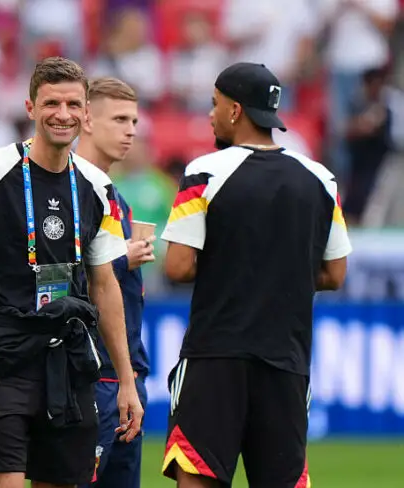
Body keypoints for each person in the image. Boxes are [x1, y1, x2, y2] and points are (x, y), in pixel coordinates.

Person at [0, 57, 144, 488]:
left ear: (86, 113)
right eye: (51, 103)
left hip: (66, 363)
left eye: (73, 104)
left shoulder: (97, 187)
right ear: (30, 108)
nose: (63, 114)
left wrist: (127, 381)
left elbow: (105, 284)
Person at [159, 62, 352, 488]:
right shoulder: (322, 179)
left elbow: (177, 267)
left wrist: (234, 269)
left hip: (215, 355)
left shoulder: (204, 173)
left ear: (234, 110)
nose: (210, 115)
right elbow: (336, 273)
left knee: (199, 477)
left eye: (214, 104)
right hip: (286, 358)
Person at [75, 77, 153, 488]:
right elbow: (60, 279)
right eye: (120, 118)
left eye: (135, 120)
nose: (131, 130)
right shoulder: (69, 188)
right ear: (87, 119)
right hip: (90, 373)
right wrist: (121, 257)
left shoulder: (114, 196)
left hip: (124, 374)